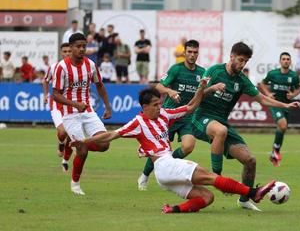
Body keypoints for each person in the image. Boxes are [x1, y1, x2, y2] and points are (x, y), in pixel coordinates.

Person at [71, 86, 276, 213]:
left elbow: (189, 108)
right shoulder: (137, 122)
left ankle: (173, 210)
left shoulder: (165, 115)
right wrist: (85, 142)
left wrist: (202, 89)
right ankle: (253, 192)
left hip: (164, 174)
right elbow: (110, 135)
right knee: (211, 176)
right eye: (155, 105)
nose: (159, 107)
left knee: (207, 198)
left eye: (160, 104)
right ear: (144, 107)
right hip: (164, 164)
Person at [191, 42, 300, 211]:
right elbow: (197, 94)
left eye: (246, 62)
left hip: (221, 122)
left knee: (250, 160)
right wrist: (211, 88)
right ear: (232, 56)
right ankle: (217, 178)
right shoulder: (214, 71)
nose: (242, 65)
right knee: (221, 131)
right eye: (240, 60)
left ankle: (244, 199)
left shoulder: (242, 80)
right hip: (201, 118)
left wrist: (286, 106)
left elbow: (263, 99)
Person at [137, 40, 223, 190]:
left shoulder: (202, 72)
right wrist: (170, 91)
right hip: (168, 116)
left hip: (187, 116)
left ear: (198, 53)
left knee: (188, 146)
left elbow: (201, 93)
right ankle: (144, 176)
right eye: (189, 52)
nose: (192, 55)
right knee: (159, 150)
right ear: (184, 52)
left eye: (195, 52)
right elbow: (158, 86)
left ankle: (168, 163)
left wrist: (213, 88)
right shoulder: (176, 69)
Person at [52, 33, 112, 195]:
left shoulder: (91, 65)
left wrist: (107, 106)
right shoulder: (61, 67)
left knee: (105, 144)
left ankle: (78, 143)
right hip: (70, 114)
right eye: (78, 46)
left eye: (84, 46)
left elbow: (99, 85)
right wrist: (75, 104)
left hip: (88, 111)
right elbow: (55, 94)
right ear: (70, 48)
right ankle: (75, 184)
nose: (81, 49)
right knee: (83, 152)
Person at [259, 52, 300, 167]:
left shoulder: (293, 76)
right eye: (283, 59)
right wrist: (267, 94)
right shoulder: (273, 74)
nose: (286, 61)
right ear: (280, 61)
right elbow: (262, 83)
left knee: (282, 128)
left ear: (290, 61)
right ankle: (276, 152)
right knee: (282, 125)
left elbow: (298, 88)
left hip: (287, 106)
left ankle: (274, 152)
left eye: (288, 59)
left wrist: (293, 95)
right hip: (274, 104)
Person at [43, 43, 73, 172]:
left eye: (69, 51)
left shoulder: (78, 67)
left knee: (72, 135)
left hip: (72, 104)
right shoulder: (54, 67)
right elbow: (45, 80)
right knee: (62, 131)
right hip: (57, 103)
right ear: (61, 53)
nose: (67, 53)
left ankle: (65, 161)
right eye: (65, 51)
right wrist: (45, 94)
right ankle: (61, 143)